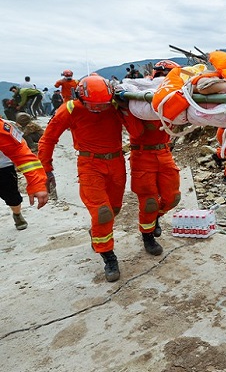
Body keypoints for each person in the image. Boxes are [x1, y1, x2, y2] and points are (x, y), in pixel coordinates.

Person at [38, 75, 129, 282]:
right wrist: (46, 169)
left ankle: (96, 233)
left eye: (102, 105)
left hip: (116, 163)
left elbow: (138, 125)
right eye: (92, 106)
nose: (98, 109)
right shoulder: (70, 109)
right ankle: (108, 256)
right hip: (90, 164)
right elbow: (48, 139)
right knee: (103, 213)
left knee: (114, 209)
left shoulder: (115, 105)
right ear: (80, 97)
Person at [118, 60, 182, 256]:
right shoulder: (140, 94)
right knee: (149, 201)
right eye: (162, 74)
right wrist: (125, 109)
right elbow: (136, 133)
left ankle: (155, 219)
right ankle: (147, 236)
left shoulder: (173, 93)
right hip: (142, 154)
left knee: (173, 198)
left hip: (164, 152)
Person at [0, 117, 48, 230]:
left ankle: (17, 214)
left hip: (3, 167)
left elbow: (21, 153)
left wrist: (37, 183)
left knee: (13, 198)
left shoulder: (3, 128)